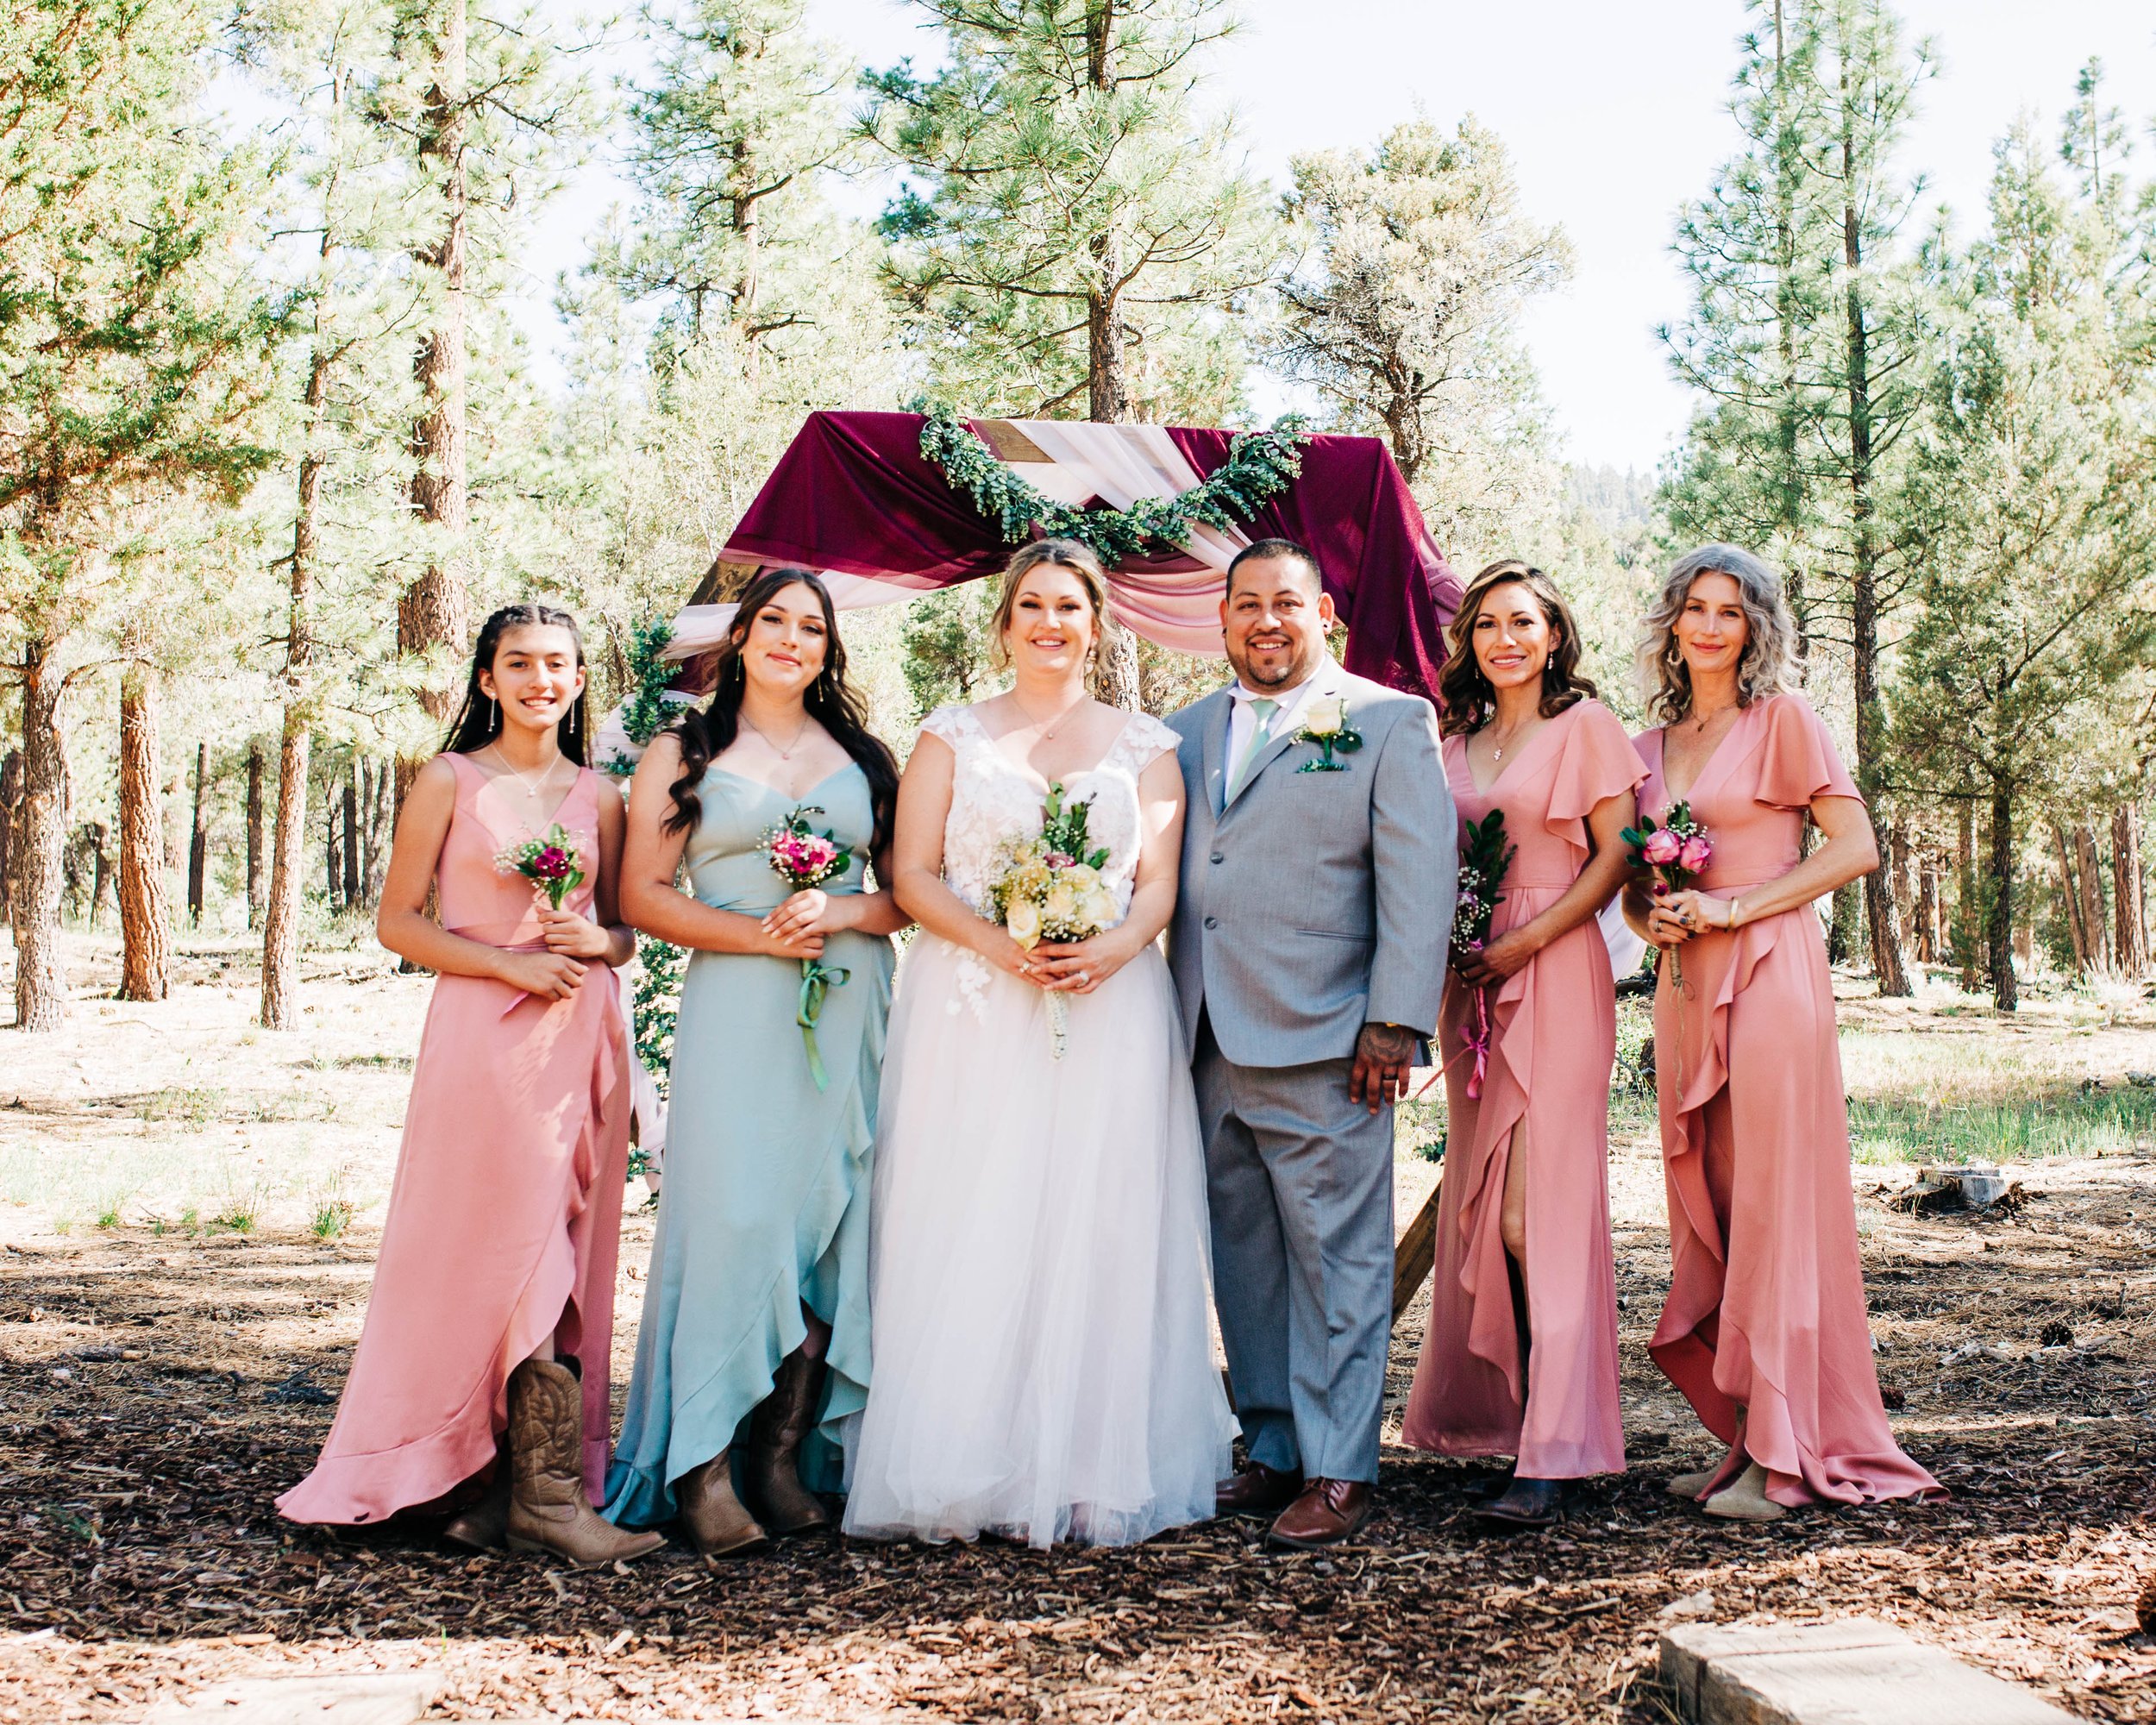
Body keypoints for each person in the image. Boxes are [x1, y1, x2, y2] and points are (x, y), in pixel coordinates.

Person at [843, 538, 1236, 1549]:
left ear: (1096, 624)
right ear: (1004, 622)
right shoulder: (949, 734)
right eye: (1030, 606)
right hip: (972, 1002)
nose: (1049, 623)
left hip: (1106, 1001)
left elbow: (1155, 880)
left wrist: (1104, 948)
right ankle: (968, 1459)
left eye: (1069, 606)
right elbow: (914, 872)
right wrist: (1000, 944)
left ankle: (1092, 1462)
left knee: (1093, 1214)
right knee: (975, 1210)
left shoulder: (1144, 743)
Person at [279, 604, 662, 1568]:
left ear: (580, 680)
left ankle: (509, 1489)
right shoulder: (447, 780)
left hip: (580, 1036)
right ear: (487, 678)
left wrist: (595, 942)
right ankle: (489, 1479)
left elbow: (623, 928)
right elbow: (398, 922)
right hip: (482, 1041)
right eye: (519, 663)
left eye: (559, 665)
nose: (542, 679)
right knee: (489, 1250)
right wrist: (510, 967)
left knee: (566, 1251)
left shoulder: (601, 795)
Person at [1625, 543, 1941, 1521]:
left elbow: (1854, 847)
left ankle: (1789, 1450)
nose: (1711, 625)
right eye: (1695, 608)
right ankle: (1741, 1436)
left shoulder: (1785, 721)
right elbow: (1636, 890)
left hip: (1767, 975)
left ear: (1757, 626)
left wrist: (1738, 907)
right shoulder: (1646, 746)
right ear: (1672, 622)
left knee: (1772, 1204)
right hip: (1684, 983)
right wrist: (1658, 917)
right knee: (1711, 1198)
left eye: (1731, 610)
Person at [603, 568, 907, 1559]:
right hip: (737, 1000)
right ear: (739, 636)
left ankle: (783, 1457)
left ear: (829, 646)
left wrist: (842, 911)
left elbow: (904, 893)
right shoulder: (682, 749)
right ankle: (698, 1463)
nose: (789, 637)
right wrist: (758, 939)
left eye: (809, 626)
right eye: (771, 620)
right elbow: (642, 894)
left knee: (832, 1220)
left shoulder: (862, 754)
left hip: (853, 993)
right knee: (732, 1218)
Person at [1166, 537, 1456, 1550]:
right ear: (1224, 618)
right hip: (1203, 1032)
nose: (1265, 622)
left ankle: (1341, 1467)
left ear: (1322, 613)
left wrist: (1394, 1019)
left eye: (1285, 603)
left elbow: (1418, 883)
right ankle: (1275, 1441)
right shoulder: (1184, 730)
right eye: (1246, 604)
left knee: (1337, 1258)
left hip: (1334, 1037)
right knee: (1241, 1255)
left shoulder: (1384, 720)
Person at [1399, 561, 1643, 1529]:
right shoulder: (1452, 741)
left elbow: (1615, 852)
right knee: (1483, 1198)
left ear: (1553, 636)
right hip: (1475, 979)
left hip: (1554, 961)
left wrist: (1527, 941)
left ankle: (1558, 1444)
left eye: (1524, 622)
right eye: (1488, 623)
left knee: (1531, 1214)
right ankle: (1522, 1423)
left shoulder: (1585, 726)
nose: (1505, 638)